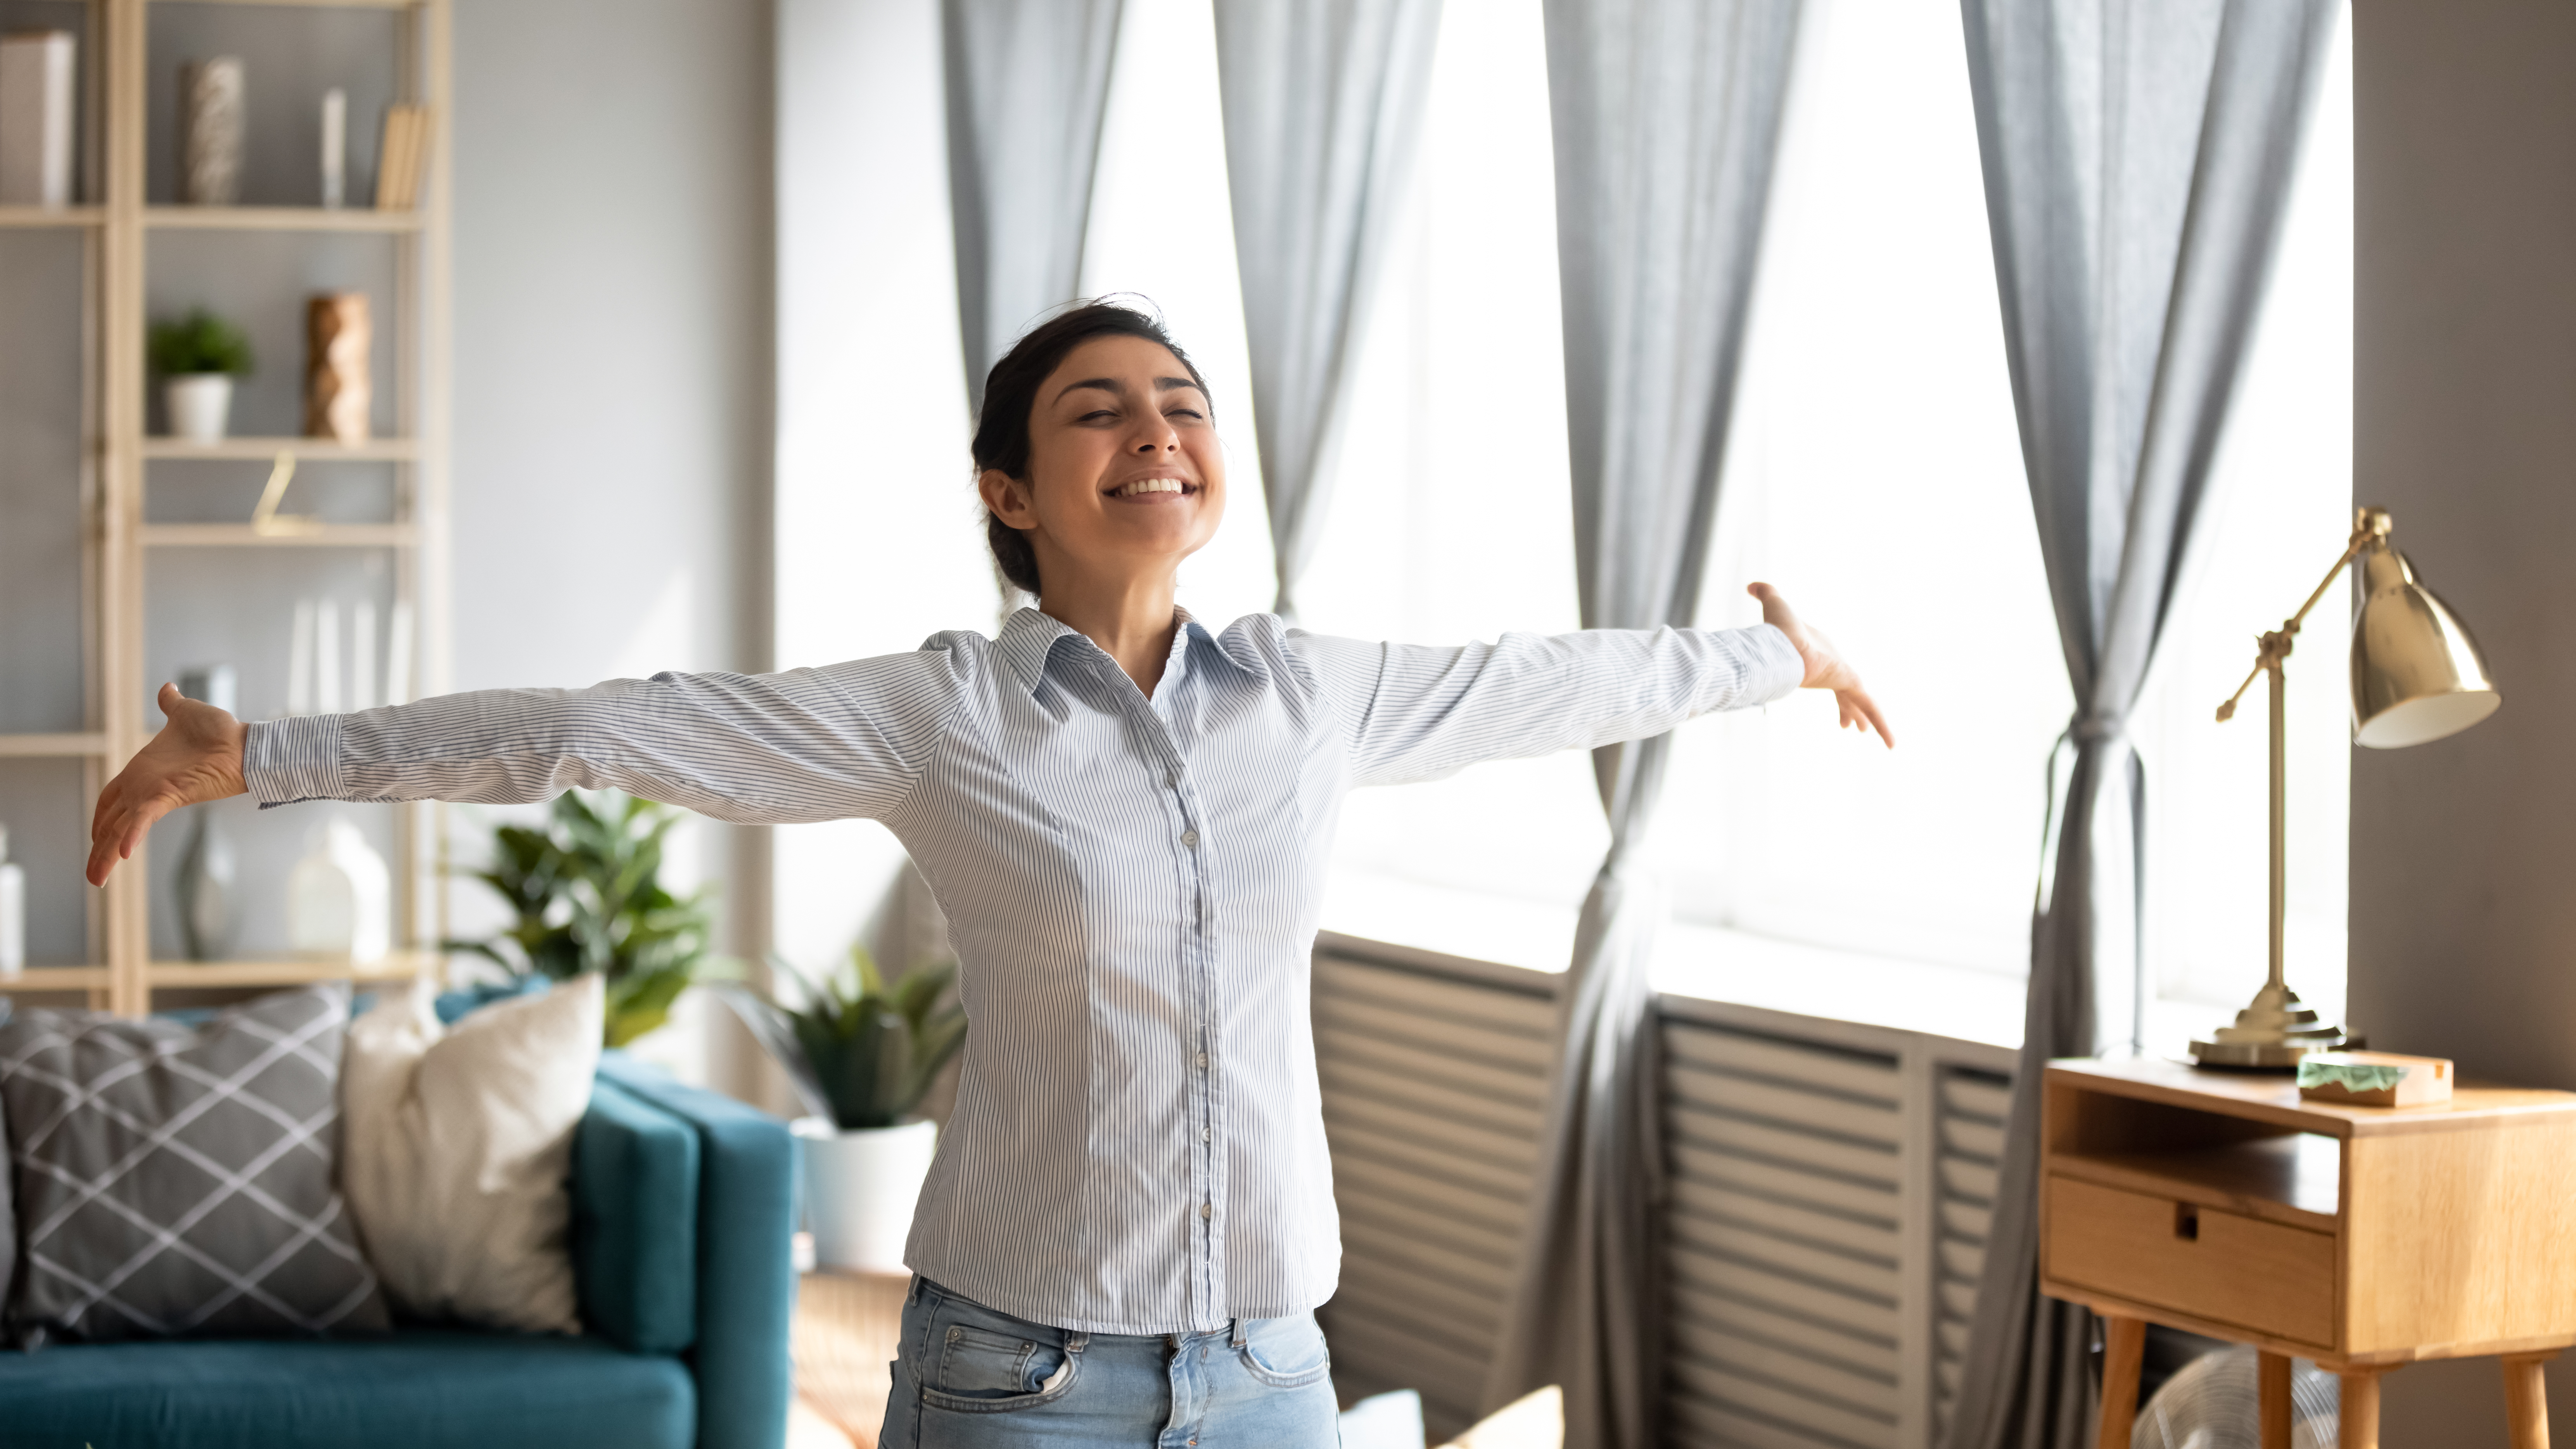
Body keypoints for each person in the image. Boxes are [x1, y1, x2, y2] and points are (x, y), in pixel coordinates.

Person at [88, 300, 1890, 1449]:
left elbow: (1546, 681)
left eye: (1180, 406)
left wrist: (1774, 661)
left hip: (1268, 1368)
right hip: (1020, 1379)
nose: (1156, 435)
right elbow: (599, 726)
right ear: (1009, 490)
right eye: (1100, 412)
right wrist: (261, 755)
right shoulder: (944, 716)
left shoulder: (1310, 695)